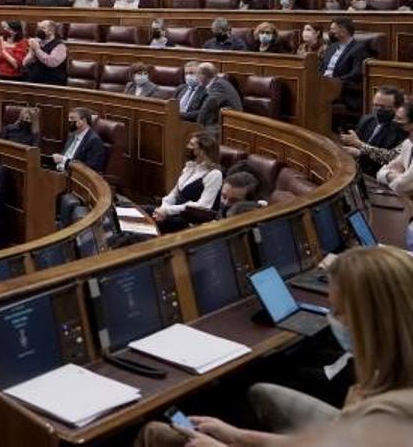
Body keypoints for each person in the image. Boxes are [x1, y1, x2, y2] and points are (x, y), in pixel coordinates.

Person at [137, 245, 413, 447]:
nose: (334, 320)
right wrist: (238, 436)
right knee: (258, 393)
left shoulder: (389, 418)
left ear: (374, 320)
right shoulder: (388, 375)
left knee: (155, 433)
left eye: (340, 311)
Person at [150, 133, 223, 233]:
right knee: (139, 211)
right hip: (174, 212)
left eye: (192, 145)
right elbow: (174, 194)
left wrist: (168, 211)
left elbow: (203, 206)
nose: (187, 147)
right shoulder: (190, 167)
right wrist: (163, 209)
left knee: (147, 222)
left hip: (190, 221)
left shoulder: (214, 174)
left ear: (202, 151)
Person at [340, 86, 407, 177]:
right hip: (357, 171)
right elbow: (352, 147)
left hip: (379, 176)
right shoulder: (367, 120)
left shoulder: (403, 129)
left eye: (383, 107)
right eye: (375, 105)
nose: (378, 110)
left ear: (398, 108)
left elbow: (390, 158)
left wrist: (359, 148)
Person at [320, 17, 368, 115]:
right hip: (324, 84)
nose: (330, 32)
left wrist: (335, 81)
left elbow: (356, 74)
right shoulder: (332, 47)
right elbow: (321, 67)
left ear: (343, 31)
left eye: (333, 29)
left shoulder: (358, 49)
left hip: (343, 90)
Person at [50, 107, 107, 172]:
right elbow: (64, 154)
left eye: (72, 118)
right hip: (60, 172)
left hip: (75, 178)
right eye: (68, 118)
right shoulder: (71, 135)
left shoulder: (94, 140)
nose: (69, 121)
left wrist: (63, 160)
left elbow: (90, 168)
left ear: (84, 120)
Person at [22, 20, 68, 85]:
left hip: (51, 83)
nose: (40, 31)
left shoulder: (60, 46)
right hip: (33, 81)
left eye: (43, 28)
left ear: (51, 31)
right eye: (39, 28)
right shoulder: (37, 43)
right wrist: (32, 51)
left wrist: (37, 50)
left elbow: (52, 62)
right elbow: (25, 63)